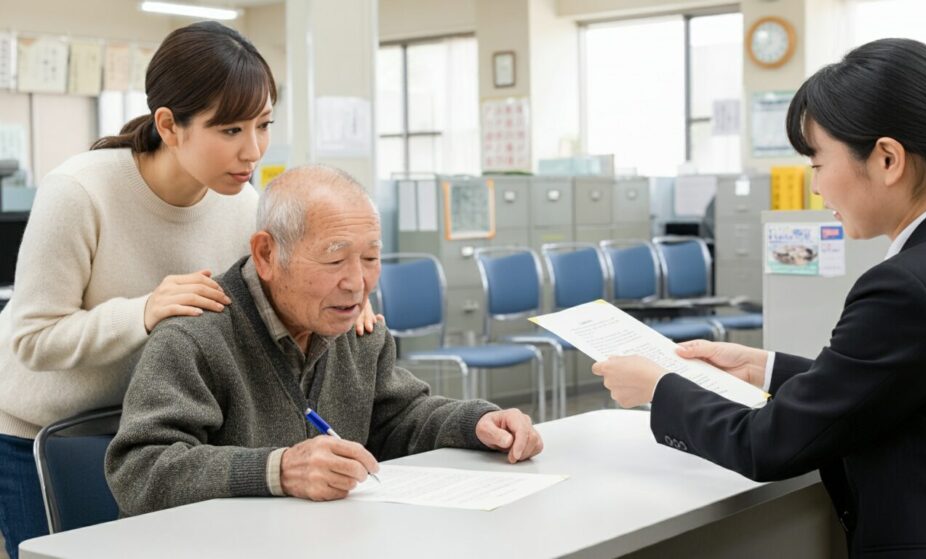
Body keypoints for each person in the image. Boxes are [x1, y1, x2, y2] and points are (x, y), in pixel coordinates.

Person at [592, 38, 926, 558]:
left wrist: (660, 387)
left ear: (887, 159)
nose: (816, 188)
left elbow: (770, 444)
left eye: (818, 164)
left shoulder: (907, 287)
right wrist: (765, 369)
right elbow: (899, 385)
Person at [0, 22, 375, 557]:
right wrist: (143, 313)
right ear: (170, 126)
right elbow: (31, 340)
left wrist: (346, 297)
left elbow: (270, 295)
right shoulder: (78, 193)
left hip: (156, 429)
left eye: (263, 125)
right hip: (41, 433)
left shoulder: (241, 204)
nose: (253, 151)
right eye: (230, 131)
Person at [105, 165, 543, 515]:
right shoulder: (194, 337)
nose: (357, 283)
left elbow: (396, 418)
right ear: (266, 255)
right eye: (335, 259)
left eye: (371, 258)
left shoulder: (355, 328)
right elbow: (140, 470)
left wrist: (476, 424)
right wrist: (278, 471)